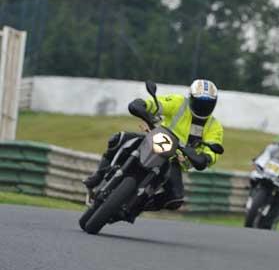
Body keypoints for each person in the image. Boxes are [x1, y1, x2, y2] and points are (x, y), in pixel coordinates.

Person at [83, 79, 224, 211]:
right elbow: (157, 104)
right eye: (199, 102)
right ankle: (98, 176)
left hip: (175, 160)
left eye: (208, 104)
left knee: (175, 199)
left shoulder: (214, 126)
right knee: (118, 139)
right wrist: (143, 106)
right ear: (191, 98)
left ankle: (136, 207)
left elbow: (214, 148)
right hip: (156, 138)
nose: (203, 107)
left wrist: (205, 158)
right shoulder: (179, 103)